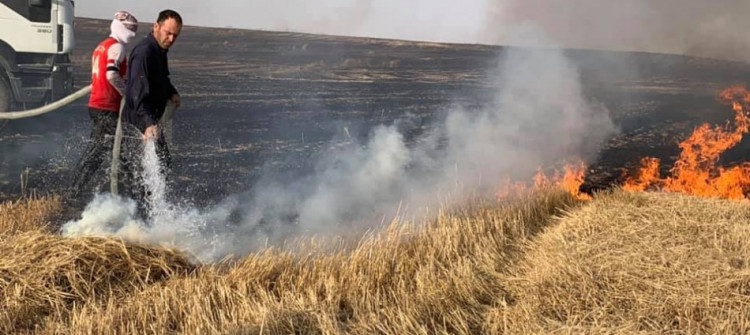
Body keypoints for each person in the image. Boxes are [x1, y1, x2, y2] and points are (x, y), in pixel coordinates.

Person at [69, 11, 138, 203]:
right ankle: (131, 193)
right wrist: (127, 94)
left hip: (96, 104)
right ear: (120, 26)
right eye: (130, 28)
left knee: (98, 151)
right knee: (119, 150)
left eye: (135, 29)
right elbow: (111, 75)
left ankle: (75, 191)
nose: (133, 34)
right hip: (107, 105)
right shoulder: (117, 47)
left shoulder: (101, 46)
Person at [120, 9, 182, 217]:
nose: (171, 38)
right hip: (138, 123)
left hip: (150, 122)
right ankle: (137, 221)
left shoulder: (159, 51)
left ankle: (153, 212)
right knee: (140, 174)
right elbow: (136, 95)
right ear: (156, 26)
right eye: (168, 32)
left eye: (175, 35)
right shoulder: (145, 53)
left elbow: (161, 79)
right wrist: (147, 124)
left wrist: (171, 92)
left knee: (162, 165)